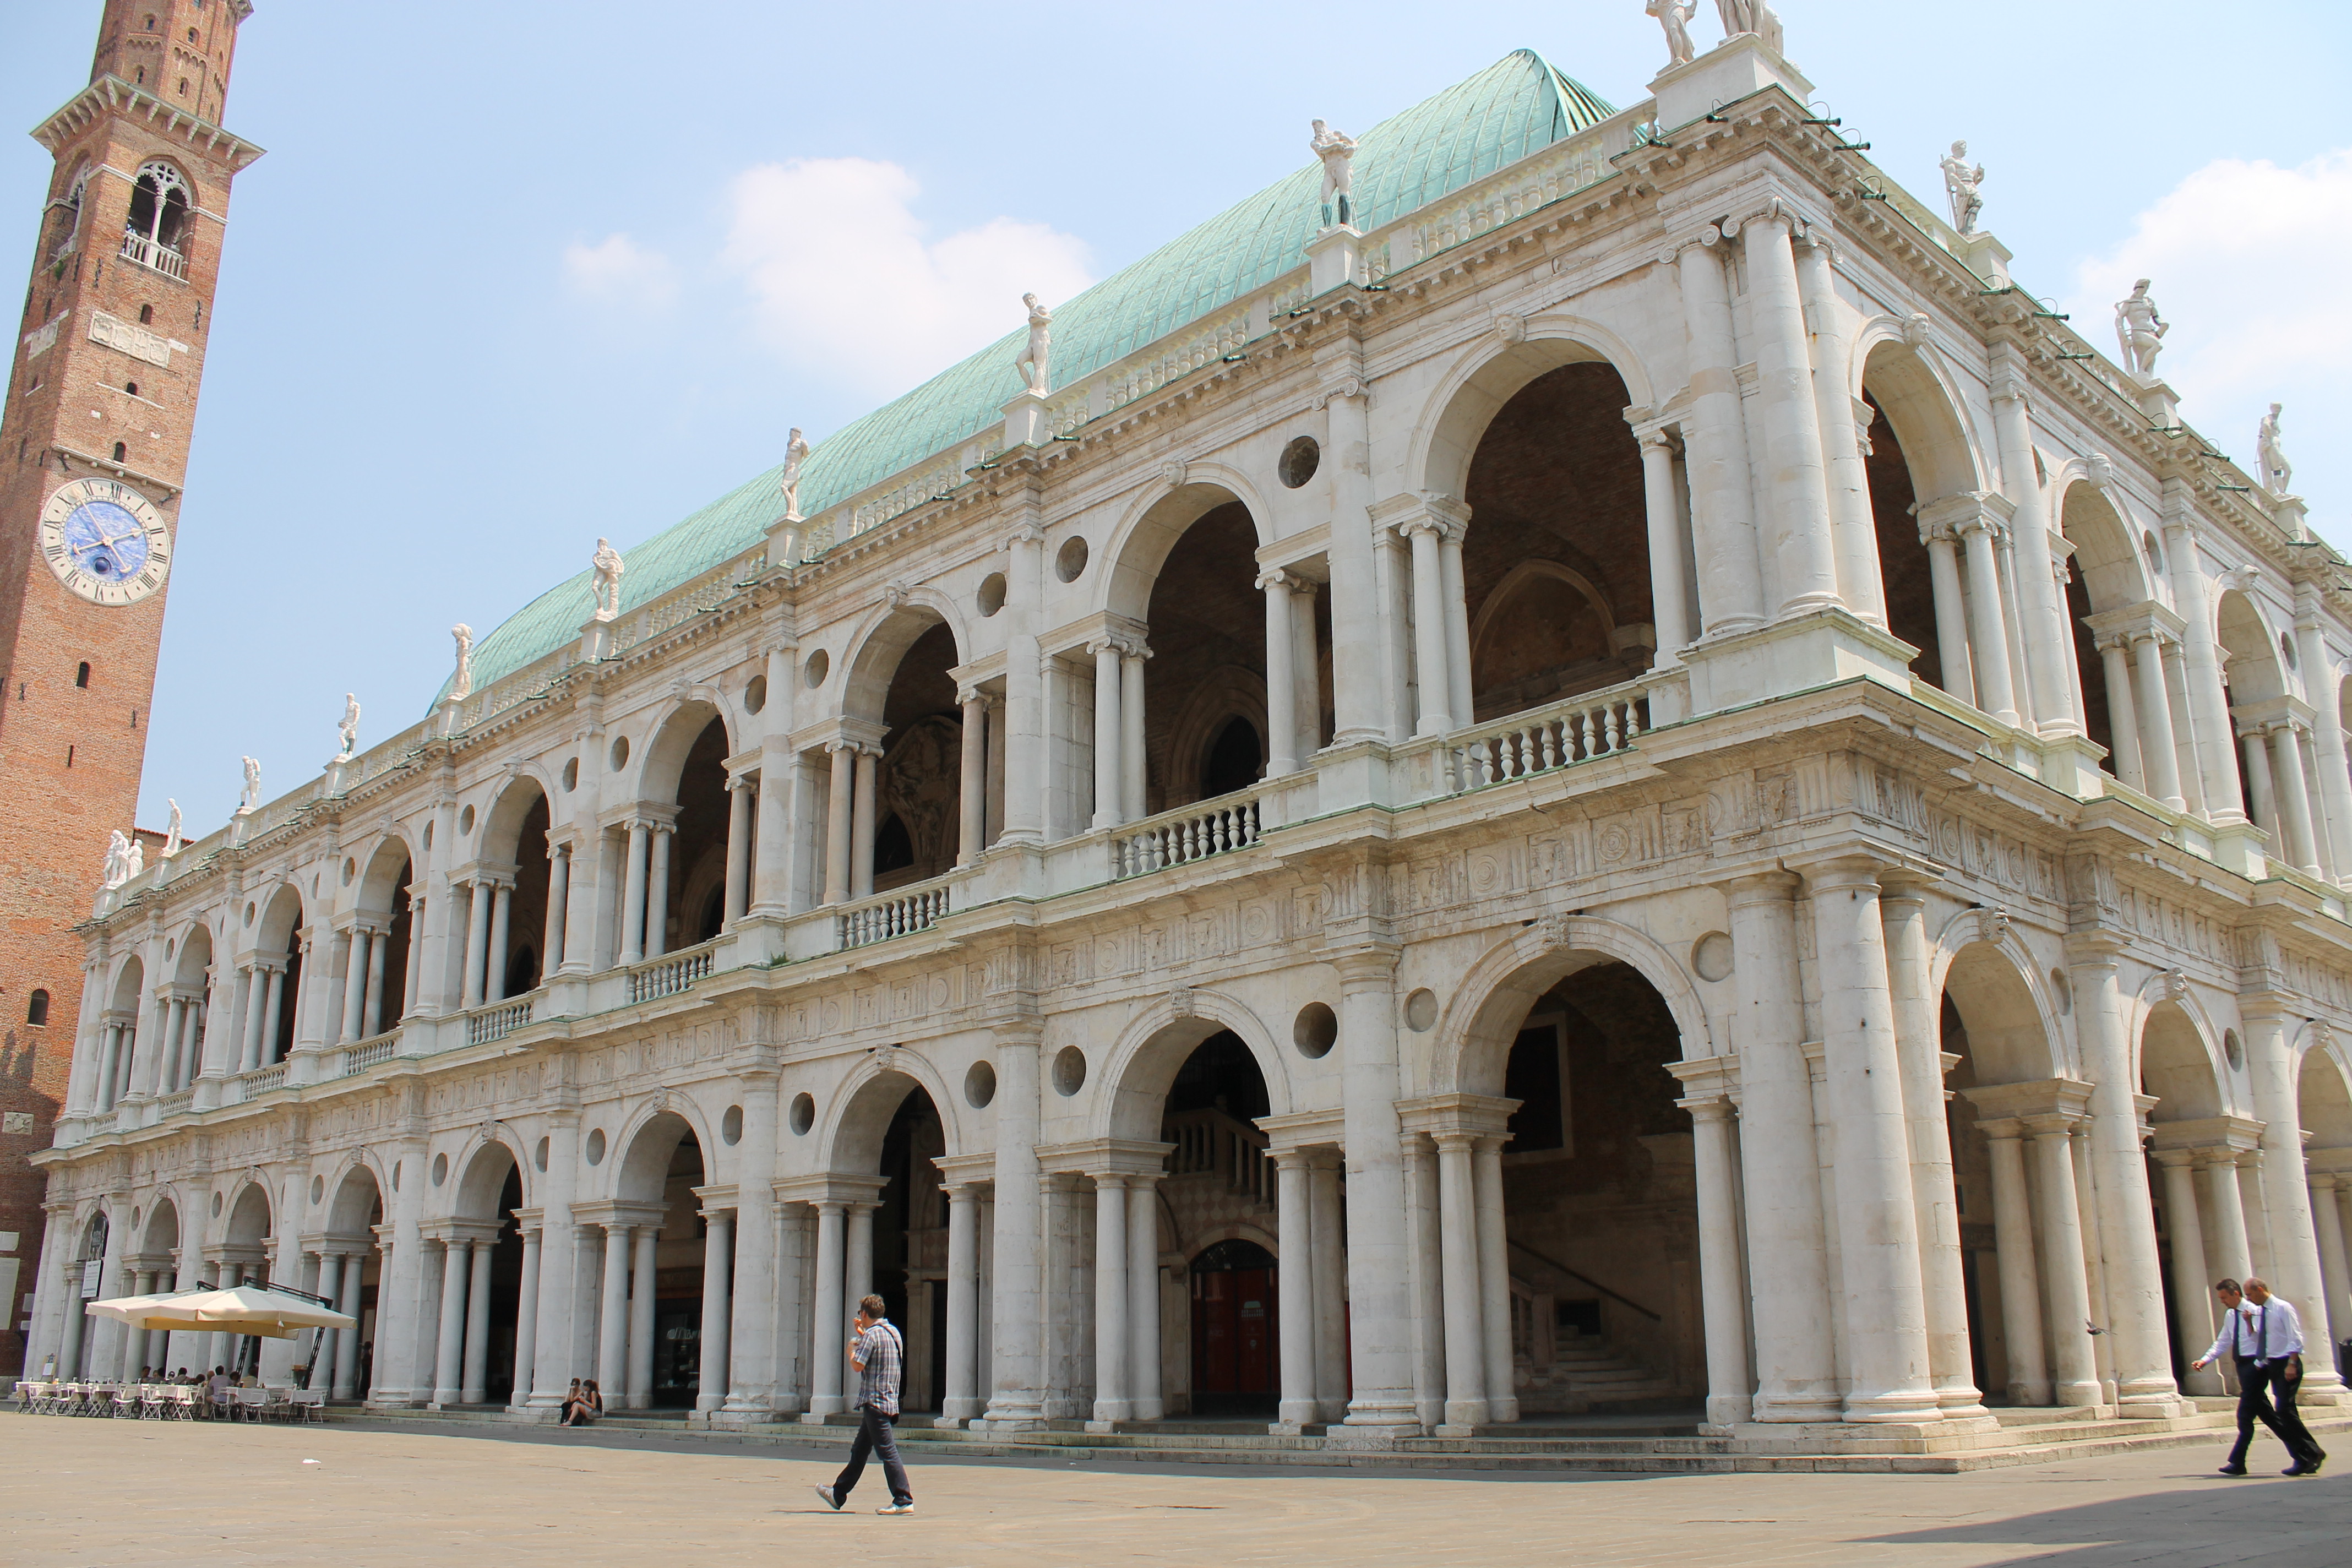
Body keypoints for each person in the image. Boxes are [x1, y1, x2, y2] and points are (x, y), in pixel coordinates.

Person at [2191, 1276, 2327, 1477]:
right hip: (2252, 1365)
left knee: (2249, 1415)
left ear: (2237, 1294)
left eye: (2224, 1298)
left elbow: (2265, 1339)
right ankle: (2304, 1454)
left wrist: (2277, 1363)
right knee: (2272, 1417)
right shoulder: (2233, 1314)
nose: (2222, 1302)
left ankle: (2238, 1461)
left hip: (2258, 1365)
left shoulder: (2259, 1310)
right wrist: (2205, 1360)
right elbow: (2225, 1340)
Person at [814, 1294, 913, 1515]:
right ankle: (838, 1493)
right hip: (889, 1399)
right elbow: (878, 1351)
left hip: (875, 1401)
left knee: (887, 1452)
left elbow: (858, 1365)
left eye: (861, 1313)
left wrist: (851, 1349)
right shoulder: (893, 1332)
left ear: (865, 1313)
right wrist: (863, 1333)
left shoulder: (872, 1335)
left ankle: (903, 1499)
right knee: (859, 1451)